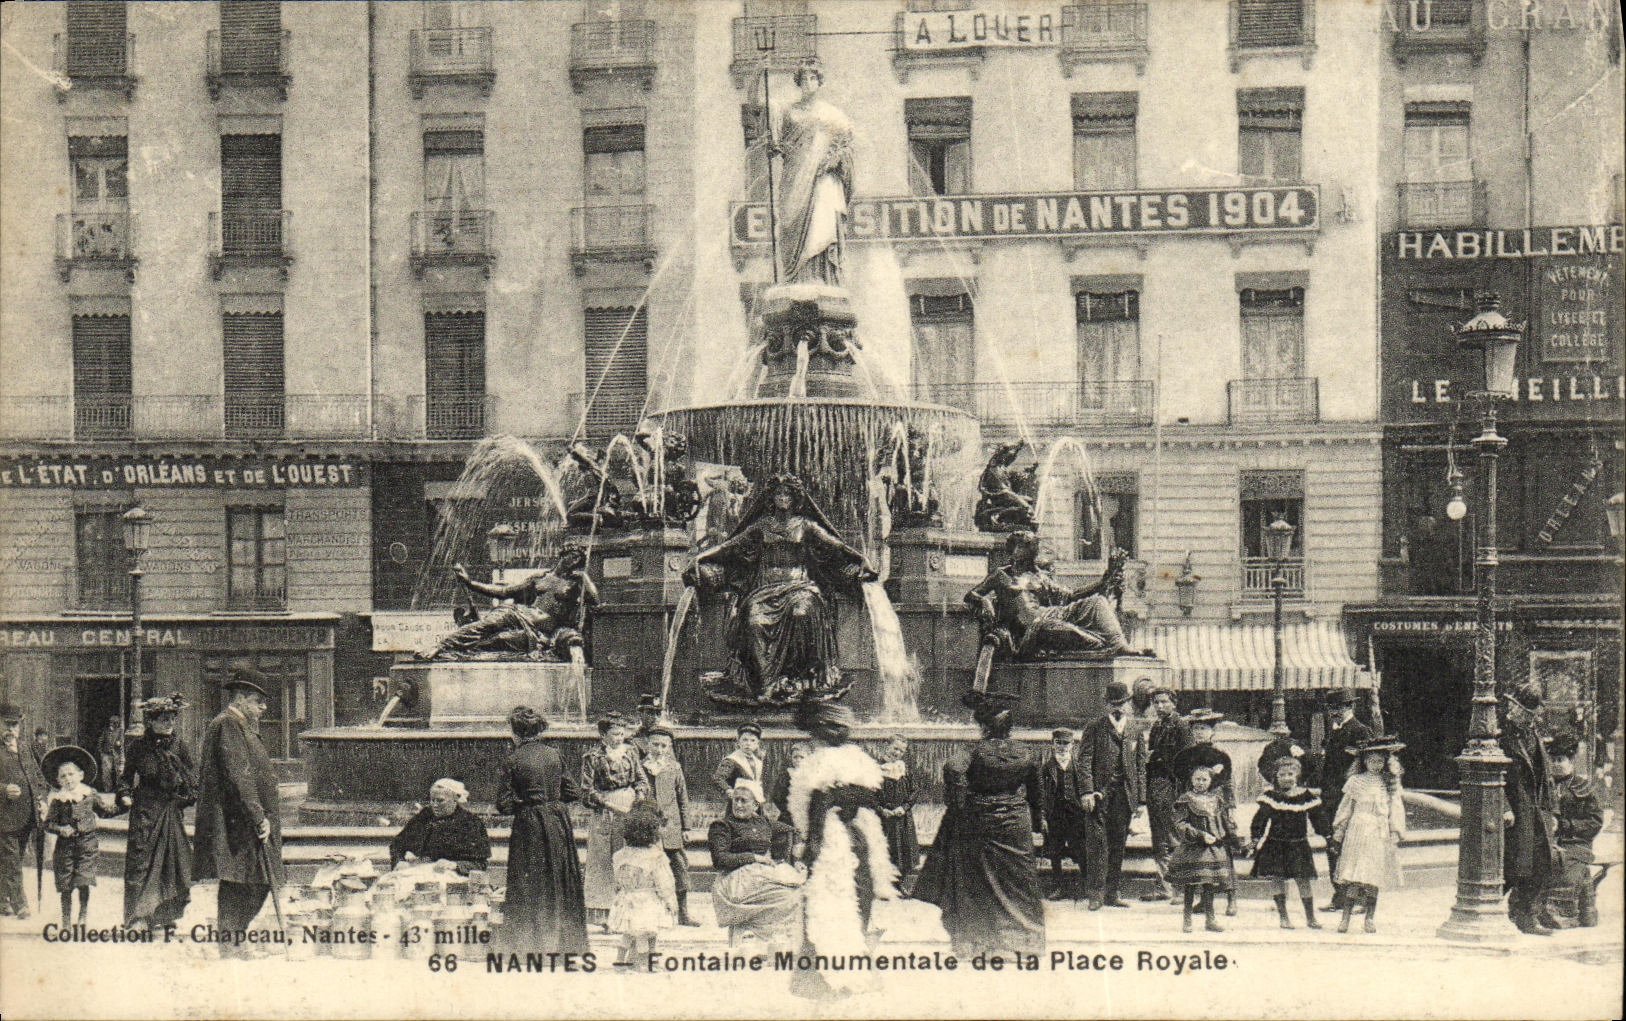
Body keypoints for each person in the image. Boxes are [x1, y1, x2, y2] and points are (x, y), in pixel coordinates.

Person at [685, 474, 874, 705]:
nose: (782, 498)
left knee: (801, 614)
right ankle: (765, 684)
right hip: (764, 589)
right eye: (778, 494)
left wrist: (862, 558)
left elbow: (837, 546)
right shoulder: (761, 526)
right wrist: (701, 557)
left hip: (800, 587)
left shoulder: (806, 526)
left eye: (787, 494)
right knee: (753, 622)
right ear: (771, 498)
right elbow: (729, 546)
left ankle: (797, 679)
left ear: (795, 498)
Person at [913, 691, 1045, 959]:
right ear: (1010, 727)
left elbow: (953, 769)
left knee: (978, 882)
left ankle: (979, 943)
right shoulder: (1026, 753)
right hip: (1016, 822)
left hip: (981, 820)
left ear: (984, 727)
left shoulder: (974, 751)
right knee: (1019, 882)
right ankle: (1025, 941)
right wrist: (1037, 818)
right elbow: (1036, 791)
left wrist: (960, 803)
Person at [787, 699, 898, 998]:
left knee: (827, 906)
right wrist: (848, 800)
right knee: (855, 903)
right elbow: (873, 796)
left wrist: (812, 843)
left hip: (833, 842)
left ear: (818, 733)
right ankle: (851, 973)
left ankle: (826, 983)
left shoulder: (819, 761)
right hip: (858, 837)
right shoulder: (859, 759)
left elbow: (818, 803)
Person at [193, 663, 284, 958]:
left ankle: (232, 940)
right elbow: (238, 773)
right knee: (245, 881)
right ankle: (230, 943)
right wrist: (258, 816)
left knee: (249, 880)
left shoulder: (238, 724)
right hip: (237, 820)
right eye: (259, 701)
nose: (264, 708)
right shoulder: (228, 724)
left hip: (241, 819)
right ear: (241, 698)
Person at [494, 706, 588, 955]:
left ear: (515, 732)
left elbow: (503, 805)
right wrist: (552, 803)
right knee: (560, 878)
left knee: (529, 882)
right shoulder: (554, 755)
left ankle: (528, 947)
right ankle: (565, 945)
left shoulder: (513, 759)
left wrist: (523, 802)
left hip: (530, 825)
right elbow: (573, 792)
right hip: (558, 822)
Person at [965, 531, 1130, 659]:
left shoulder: (1041, 577)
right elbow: (971, 594)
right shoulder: (1001, 575)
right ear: (1015, 550)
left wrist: (1104, 580)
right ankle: (1105, 647)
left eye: (1033, 547)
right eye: (1027, 546)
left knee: (1097, 602)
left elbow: (1071, 596)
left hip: (1049, 615)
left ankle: (1120, 645)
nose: (1034, 551)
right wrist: (984, 601)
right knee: (1070, 632)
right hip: (1032, 628)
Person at [421, 545, 598, 661]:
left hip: (538, 630)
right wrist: (470, 583)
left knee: (499, 639)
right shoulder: (540, 579)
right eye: (573, 556)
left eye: (579, 559)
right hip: (519, 613)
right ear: (563, 555)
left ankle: (457, 651)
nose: (576, 561)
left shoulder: (577, 582)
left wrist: (584, 577)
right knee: (489, 623)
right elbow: (504, 592)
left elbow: (595, 600)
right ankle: (441, 646)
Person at [116, 693, 196, 931]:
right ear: (150, 721)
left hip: (170, 811)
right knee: (140, 863)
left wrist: (182, 799)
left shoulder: (180, 746)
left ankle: (163, 913)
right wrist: (125, 795)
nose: (169, 724)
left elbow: (192, 780)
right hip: (144, 811)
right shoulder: (138, 747)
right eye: (163, 719)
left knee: (170, 863)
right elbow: (125, 778)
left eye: (171, 719)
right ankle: (137, 918)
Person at [770, 57, 853, 286]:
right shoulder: (788, 113)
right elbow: (775, 139)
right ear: (798, 82)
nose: (808, 82)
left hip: (822, 181)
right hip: (794, 179)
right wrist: (759, 72)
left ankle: (822, 277)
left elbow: (847, 147)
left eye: (813, 77)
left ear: (819, 81)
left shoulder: (834, 115)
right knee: (791, 225)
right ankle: (796, 278)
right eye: (804, 78)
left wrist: (835, 160)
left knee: (822, 225)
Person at [708, 778, 801, 949]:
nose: (739, 804)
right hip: (734, 881)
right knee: (786, 896)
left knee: (796, 894)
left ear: (755, 805)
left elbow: (793, 831)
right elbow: (720, 860)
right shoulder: (722, 826)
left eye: (744, 800)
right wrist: (754, 858)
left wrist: (796, 859)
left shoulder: (763, 823)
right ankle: (749, 932)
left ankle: (759, 935)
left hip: (757, 877)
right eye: (736, 799)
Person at [1079, 679, 1145, 911]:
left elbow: (1140, 765)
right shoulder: (1094, 727)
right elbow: (1084, 760)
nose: (1118, 708)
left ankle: (1112, 893)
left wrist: (1141, 799)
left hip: (1124, 796)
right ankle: (1095, 894)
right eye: (1113, 704)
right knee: (1098, 845)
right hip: (1099, 795)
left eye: (1122, 703)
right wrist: (1086, 791)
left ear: (1128, 704)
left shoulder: (1136, 728)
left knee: (1118, 844)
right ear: (1106, 705)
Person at [1331, 735, 1407, 935]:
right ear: (1364, 762)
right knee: (1353, 876)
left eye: (1380, 761)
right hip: (1357, 830)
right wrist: (1339, 833)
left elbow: (1395, 809)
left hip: (1377, 832)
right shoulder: (1356, 781)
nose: (1376, 765)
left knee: (1372, 877)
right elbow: (1346, 808)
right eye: (1372, 761)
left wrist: (1395, 832)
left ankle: (1370, 918)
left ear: (1386, 762)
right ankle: (1345, 918)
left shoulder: (1389, 784)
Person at [581, 712, 650, 929]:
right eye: (615, 734)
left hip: (628, 804)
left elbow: (641, 779)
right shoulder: (592, 757)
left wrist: (639, 797)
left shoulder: (631, 752)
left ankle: (627, 910)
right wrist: (608, 805)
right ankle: (602, 912)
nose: (619, 738)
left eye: (622, 734)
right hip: (605, 809)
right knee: (602, 859)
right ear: (603, 735)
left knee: (627, 855)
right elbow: (586, 790)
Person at [1500, 683, 1557, 935]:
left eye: (1531, 713)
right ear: (1513, 706)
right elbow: (1490, 773)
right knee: (1514, 865)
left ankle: (1527, 913)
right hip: (1514, 808)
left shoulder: (1533, 734)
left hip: (1535, 807)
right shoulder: (1500, 733)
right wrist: (1503, 805)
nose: (1527, 716)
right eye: (1523, 710)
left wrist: (1551, 810)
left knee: (1542, 860)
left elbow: (1545, 775)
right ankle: (1495, 910)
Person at [1171, 709, 1239, 916]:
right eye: (1196, 728)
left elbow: (1228, 785)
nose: (1200, 732)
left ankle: (1231, 898)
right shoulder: (1184, 757)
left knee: (1223, 851)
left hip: (1216, 809)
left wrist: (1231, 809)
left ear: (1212, 731)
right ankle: (1203, 899)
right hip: (1194, 809)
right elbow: (1180, 785)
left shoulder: (1221, 756)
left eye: (1204, 728)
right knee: (1199, 854)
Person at [1249, 756, 1329, 930]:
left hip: (1298, 845)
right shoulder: (1270, 797)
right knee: (1277, 878)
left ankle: (1310, 917)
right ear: (1275, 777)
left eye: (1290, 774)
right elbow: (1260, 819)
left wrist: (1328, 835)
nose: (1286, 778)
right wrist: (1255, 838)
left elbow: (1318, 818)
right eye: (1282, 774)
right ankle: (1284, 917)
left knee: (1303, 880)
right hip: (1275, 845)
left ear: (1297, 775)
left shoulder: (1306, 796)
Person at [1317, 688, 1371, 912]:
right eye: (1331, 708)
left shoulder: (1360, 731)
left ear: (1350, 707)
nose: (1334, 712)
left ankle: (1358, 897)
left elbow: (1364, 765)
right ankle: (1339, 895)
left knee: (1353, 846)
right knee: (1333, 844)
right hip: (1330, 797)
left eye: (1339, 707)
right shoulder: (1334, 730)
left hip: (1349, 797)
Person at [1167, 765, 1237, 934]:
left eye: (1204, 779)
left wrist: (1228, 834)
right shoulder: (1186, 799)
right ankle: (1187, 919)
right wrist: (1199, 834)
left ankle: (1210, 919)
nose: (1200, 782)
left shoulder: (1216, 799)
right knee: (1190, 885)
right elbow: (1179, 824)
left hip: (1212, 849)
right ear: (1191, 780)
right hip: (1194, 848)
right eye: (1197, 779)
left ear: (1210, 781)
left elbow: (1221, 822)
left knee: (1209, 884)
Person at [1543, 733, 1603, 929]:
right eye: (1553, 760)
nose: (1556, 764)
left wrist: (1564, 826)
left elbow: (1595, 821)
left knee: (1565, 867)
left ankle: (1566, 912)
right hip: (1548, 841)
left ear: (1571, 761)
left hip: (1576, 842)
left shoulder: (1583, 787)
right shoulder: (1545, 786)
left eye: (1560, 760)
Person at [608, 803, 677, 971]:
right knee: (647, 933)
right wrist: (670, 901)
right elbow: (664, 883)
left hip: (627, 898)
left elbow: (616, 880)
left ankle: (620, 961)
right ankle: (646, 963)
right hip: (647, 901)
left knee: (629, 933)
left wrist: (620, 892)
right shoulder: (655, 856)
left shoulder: (621, 855)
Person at [641, 727, 698, 926]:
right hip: (649, 826)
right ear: (647, 745)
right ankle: (653, 915)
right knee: (649, 869)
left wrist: (687, 828)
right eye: (655, 744)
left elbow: (683, 798)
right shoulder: (640, 767)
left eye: (663, 745)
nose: (659, 749)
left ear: (669, 747)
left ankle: (683, 913)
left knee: (680, 867)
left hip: (672, 828)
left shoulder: (674, 768)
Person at [1142, 687, 1189, 902]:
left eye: (1164, 702)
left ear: (1173, 703)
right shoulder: (1157, 727)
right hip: (1156, 787)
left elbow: (1187, 759)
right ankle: (1164, 886)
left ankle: (1180, 887)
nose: (1160, 706)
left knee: (1173, 836)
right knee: (1159, 837)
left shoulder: (1181, 725)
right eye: (1156, 703)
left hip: (1171, 787)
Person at [0, 703, 48, 919]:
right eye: (7, 724)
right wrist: (3, 790)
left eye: (15, 725)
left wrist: (43, 800)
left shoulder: (26, 747)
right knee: (10, 859)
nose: (11, 730)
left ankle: (2, 899)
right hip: (4, 816)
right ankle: (21, 904)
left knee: (14, 859)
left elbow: (38, 777)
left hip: (27, 815)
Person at [389, 778, 490, 875]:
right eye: (432, 800)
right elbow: (397, 844)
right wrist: (400, 862)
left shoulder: (471, 823)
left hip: (455, 879)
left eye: (440, 800)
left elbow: (480, 865)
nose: (435, 805)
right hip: (422, 874)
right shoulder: (424, 816)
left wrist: (455, 865)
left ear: (455, 800)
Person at [1039, 727, 1089, 901]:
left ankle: (1085, 885)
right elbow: (1042, 793)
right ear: (1052, 744)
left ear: (1072, 744)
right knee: (1055, 850)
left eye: (1065, 743)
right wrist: (1043, 816)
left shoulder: (1078, 765)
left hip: (1075, 814)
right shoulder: (1047, 767)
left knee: (1081, 848)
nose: (1061, 747)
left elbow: (1085, 789)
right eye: (1058, 743)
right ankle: (1058, 886)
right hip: (1056, 814)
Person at [877, 735, 918, 888]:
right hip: (884, 818)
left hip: (902, 817)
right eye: (895, 748)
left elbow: (914, 791)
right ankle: (882, 883)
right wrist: (881, 810)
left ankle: (901, 883)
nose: (897, 753)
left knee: (904, 849)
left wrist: (905, 807)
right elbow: (870, 794)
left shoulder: (904, 769)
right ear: (886, 745)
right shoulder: (876, 768)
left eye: (901, 751)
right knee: (884, 847)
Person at [711, 722, 766, 800]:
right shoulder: (732, 760)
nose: (748, 744)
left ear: (758, 743)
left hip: (755, 800)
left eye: (752, 740)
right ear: (738, 742)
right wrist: (728, 790)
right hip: (739, 801)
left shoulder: (757, 761)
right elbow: (718, 778)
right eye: (745, 740)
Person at [770, 741, 813, 826]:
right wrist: (788, 809)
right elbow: (777, 796)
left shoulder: (812, 776)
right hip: (789, 815)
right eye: (795, 757)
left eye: (802, 757)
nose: (798, 760)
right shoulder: (786, 776)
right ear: (791, 758)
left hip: (808, 814)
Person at [96, 716, 124, 794]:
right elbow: (100, 742)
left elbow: (123, 743)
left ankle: (120, 790)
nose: (112, 724)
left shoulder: (120, 732)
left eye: (114, 723)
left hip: (116, 754)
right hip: (106, 755)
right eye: (111, 722)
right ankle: (107, 790)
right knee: (106, 773)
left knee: (119, 772)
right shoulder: (106, 731)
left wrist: (119, 744)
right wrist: (101, 752)